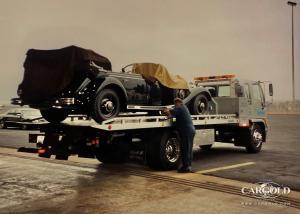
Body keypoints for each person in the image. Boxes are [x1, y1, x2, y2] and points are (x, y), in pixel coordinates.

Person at [163, 98, 196, 173]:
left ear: (179, 103)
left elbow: (171, 115)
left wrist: (167, 111)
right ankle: (188, 166)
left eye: (175, 104)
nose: (175, 105)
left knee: (186, 148)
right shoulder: (183, 108)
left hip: (186, 131)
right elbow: (174, 115)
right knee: (189, 149)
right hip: (189, 130)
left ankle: (186, 167)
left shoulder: (180, 108)